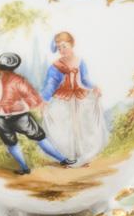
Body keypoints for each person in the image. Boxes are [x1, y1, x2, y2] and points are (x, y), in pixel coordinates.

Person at [0, 53, 74, 173]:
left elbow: (35, 98)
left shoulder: (18, 80)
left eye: (5, 71)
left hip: (19, 116)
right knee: (11, 143)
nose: (2, 73)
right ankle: (24, 168)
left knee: (39, 137)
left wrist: (24, 105)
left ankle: (63, 160)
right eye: (0, 69)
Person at [41, 32, 108, 164]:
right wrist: (44, 99)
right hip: (63, 99)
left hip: (79, 97)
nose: (62, 50)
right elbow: (50, 84)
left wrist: (94, 87)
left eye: (64, 46)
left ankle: (84, 156)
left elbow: (85, 79)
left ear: (72, 44)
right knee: (65, 127)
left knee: (82, 126)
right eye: (59, 48)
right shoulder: (55, 66)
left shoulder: (80, 62)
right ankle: (69, 157)